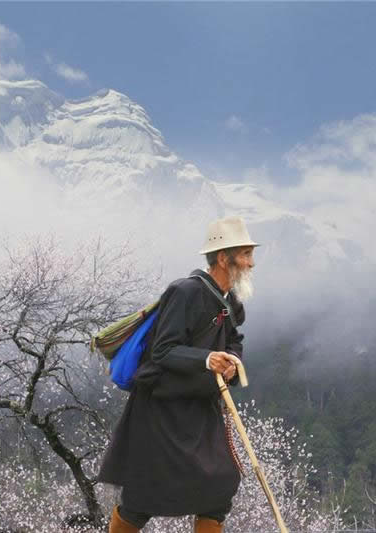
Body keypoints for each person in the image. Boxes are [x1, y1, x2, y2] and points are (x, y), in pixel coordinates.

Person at [97, 216, 259, 533]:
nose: (251, 264)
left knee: (220, 483)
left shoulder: (229, 300)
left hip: (201, 406)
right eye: (245, 255)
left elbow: (234, 340)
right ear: (224, 258)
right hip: (161, 409)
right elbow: (163, 350)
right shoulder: (184, 292)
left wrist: (231, 362)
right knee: (143, 496)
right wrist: (208, 358)